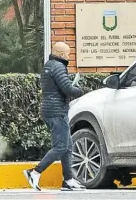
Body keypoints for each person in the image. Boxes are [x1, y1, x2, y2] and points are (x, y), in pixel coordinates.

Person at [23, 42, 85, 191]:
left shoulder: (48, 65)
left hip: (50, 110)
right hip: (57, 112)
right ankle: (35, 172)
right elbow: (67, 88)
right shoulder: (58, 67)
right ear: (62, 54)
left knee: (67, 147)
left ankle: (68, 180)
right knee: (61, 146)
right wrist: (79, 91)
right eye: (68, 54)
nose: (69, 57)